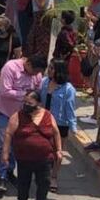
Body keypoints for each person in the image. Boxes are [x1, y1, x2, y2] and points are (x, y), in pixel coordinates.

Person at [2, 90, 62, 200]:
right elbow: (8, 134)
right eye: (25, 102)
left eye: (30, 103)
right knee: (24, 182)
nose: (26, 105)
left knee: (44, 183)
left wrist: (59, 150)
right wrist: (5, 153)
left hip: (45, 159)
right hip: (24, 158)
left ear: (38, 103)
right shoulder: (17, 116)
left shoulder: (47, 115)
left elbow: (56, 133)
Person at [0, 55, 47, 199]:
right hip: (6, 113)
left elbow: (37, 92)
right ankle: (2, 176)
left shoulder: (36, 74)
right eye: (33, 71)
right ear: (27, 63)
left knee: (18, 146)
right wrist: (25, 95)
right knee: (4, 145)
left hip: (24, 115)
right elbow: (5, 91)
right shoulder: (10, 68)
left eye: (37, 73)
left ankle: (10, 171)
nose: (34, 75)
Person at [39, 62, 76, 192]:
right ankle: (42, 173)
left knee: (57, 152)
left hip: (60, 124)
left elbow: (70, 108)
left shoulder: (68, 89)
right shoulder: (44, 82)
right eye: (49, 67)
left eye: (52, 68)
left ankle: (54, 177)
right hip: (43, 121)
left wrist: (73, 126)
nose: (49, 70)